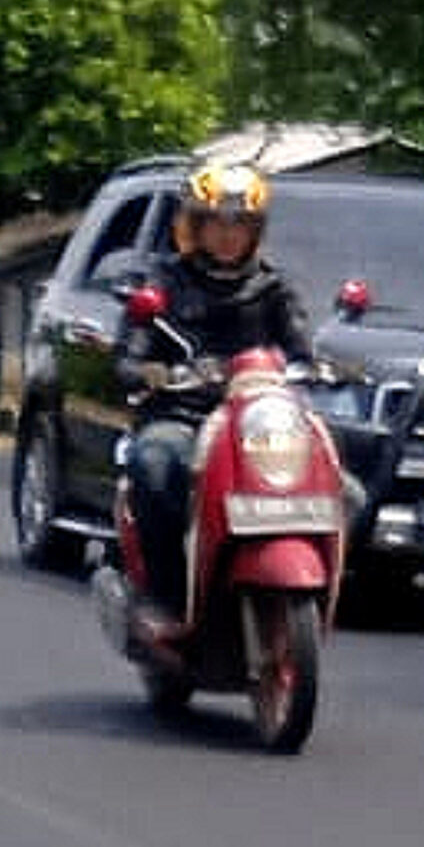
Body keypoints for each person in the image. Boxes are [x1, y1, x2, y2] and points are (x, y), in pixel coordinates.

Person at [116, 161, 315, 622]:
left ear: (256, 231)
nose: (228, 235)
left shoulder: (274, 287)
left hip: (259, 420)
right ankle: (164, 594)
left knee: (343, 482)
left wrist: (318, 366)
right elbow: (129, 356)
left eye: (240, 224)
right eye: (216, 223)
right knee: (154, 464)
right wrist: (153, 373)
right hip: (184, 416)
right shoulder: (164, 282)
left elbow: (301, 345)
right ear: (195, 227)